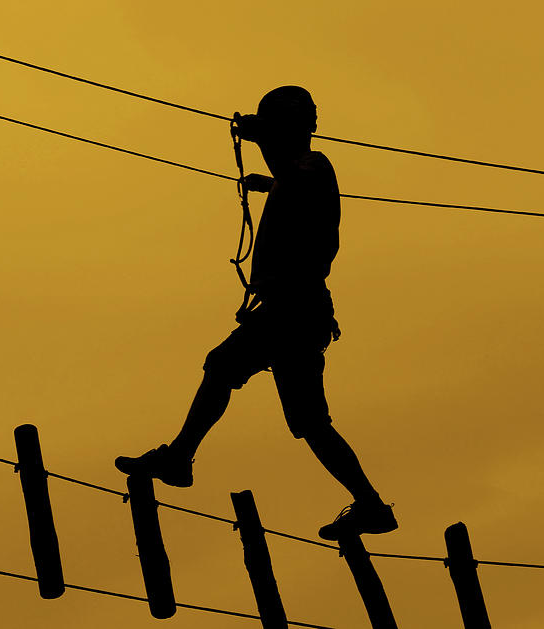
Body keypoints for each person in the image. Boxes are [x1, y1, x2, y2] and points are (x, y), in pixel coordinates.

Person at [115, 86, 396, 540]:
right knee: (309, 423)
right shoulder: (294, 177)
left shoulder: (312, 167)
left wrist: (262, 142)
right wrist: (269, 183)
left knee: (223, 366)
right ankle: (370, 505)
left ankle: (180, 458)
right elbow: (291, 186)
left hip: (293, 309)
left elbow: (295, 175)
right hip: (299, 312)